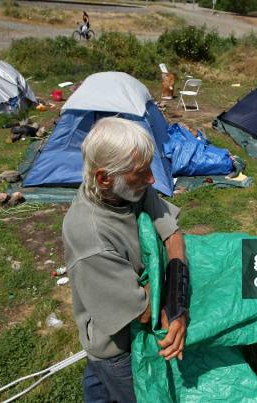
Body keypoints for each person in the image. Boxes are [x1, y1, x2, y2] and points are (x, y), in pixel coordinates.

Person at [63, 117, 189, 403]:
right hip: (117, 350)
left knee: (98, 388)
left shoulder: (128, 189)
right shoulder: (90, 238)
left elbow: (173, 235)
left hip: (113, 337)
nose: (152, 179)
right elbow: (144, 312)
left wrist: (177, 303)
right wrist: (170, 303)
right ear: (104, 178)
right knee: (133, 391)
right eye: (141, 173)